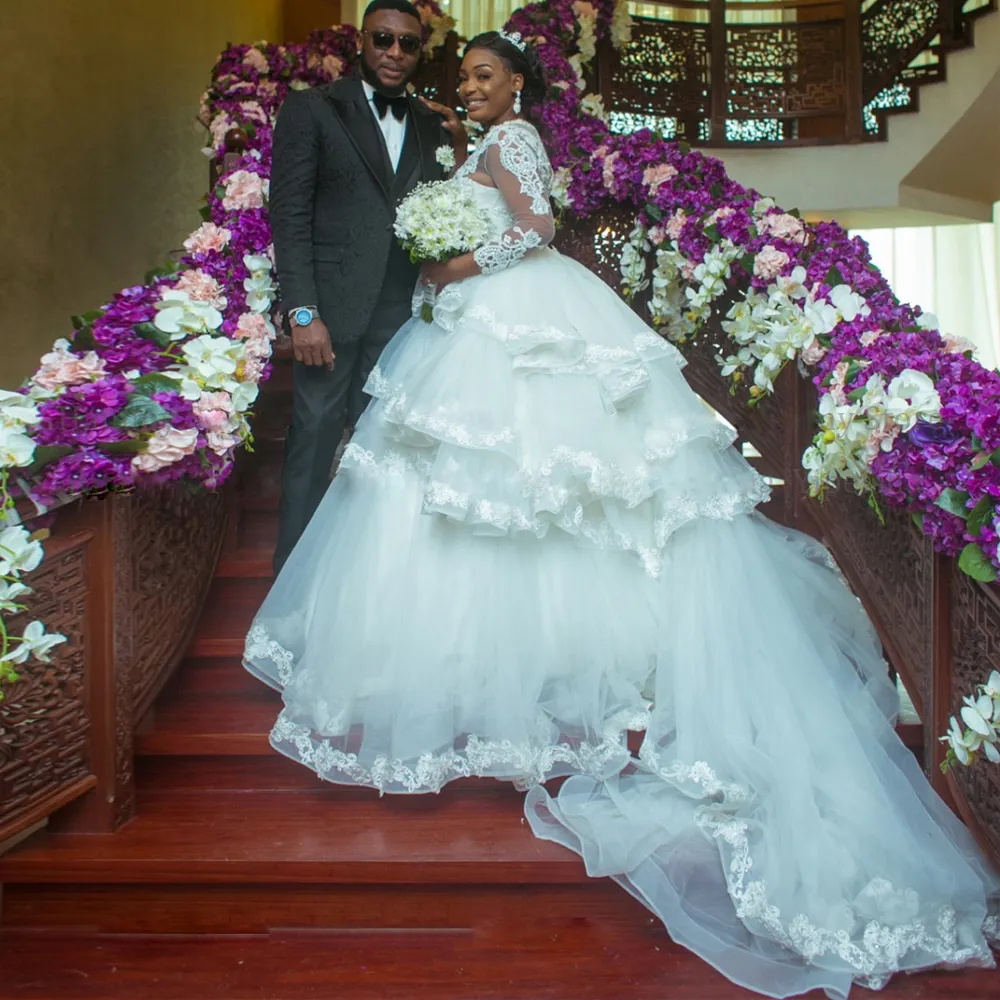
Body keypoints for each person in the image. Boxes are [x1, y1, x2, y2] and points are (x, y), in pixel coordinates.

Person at [245, 29, 999, 998]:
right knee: (480, 492)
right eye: (463, 73)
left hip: (516, 313)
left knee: (545, 487)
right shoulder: (472, 137)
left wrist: (458, 265)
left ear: (518, 82)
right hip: (472, 324)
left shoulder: (515, 139)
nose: (467, 84)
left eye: (483, 73)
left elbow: (540, 223)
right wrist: (445, 245)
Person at [268, 0, 463, 573]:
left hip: (402, 316)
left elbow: (445, 211)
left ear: (420, 50)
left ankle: (364, 578)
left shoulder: (431, 124)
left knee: (387, 443)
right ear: (363, 41)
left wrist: (457, 152)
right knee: (315, 432)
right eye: (383, 39)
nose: (395, 53)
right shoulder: (312, 109)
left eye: (408, 43)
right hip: (330, 308)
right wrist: (302, 313)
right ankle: (293, 574)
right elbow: (290, 214)